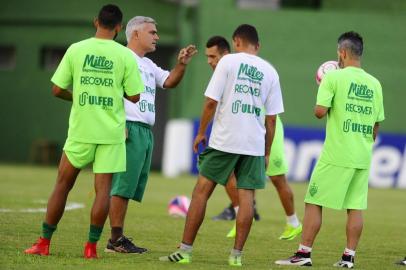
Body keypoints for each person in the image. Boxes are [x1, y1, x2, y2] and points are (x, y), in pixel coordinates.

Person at [24, 4, 144, 259]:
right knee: (103, 191)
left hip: (81, 130)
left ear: (95, 22)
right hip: (111, 133)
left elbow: (56, 89)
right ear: (119, 28)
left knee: (62, 185)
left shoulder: (76, 49)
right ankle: (90, 248)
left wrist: (78, 96)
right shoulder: (125, 55)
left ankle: (44, 243)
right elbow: (135, 95)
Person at [160, 24, 284, 266]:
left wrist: (200, 133)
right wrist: (267, 150)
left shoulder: (227, 62)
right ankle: (236, 256)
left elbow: (210, 103)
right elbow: (271, 120)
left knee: (201, 191)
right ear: (257, 46)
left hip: (225, 140)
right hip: (254, 144)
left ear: (236, 41)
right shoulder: (270, 71)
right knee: (247, 197)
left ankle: (185, 252)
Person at [275, 31, 385, 268]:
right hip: (362, 155)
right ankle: (348, 258)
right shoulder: (375, 84)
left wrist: (326, 87)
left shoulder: (333, 78)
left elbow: (319, 112)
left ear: (342, 53)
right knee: (355, 207)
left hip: (337, 154)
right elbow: (376, 126)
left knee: (314, 199)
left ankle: (304, 254)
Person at [105, 16, 197, 254]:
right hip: (128, 127)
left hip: (144, 131)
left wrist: (183, 64)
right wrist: (118, 123)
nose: (156, 36)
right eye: (152, 32)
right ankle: (115, 240)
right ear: (135, 34)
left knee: (129, 188)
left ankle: (117, 237)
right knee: (122, 186)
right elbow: (109, 90)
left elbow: (169, 81)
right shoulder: (120, 56)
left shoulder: (147, 64)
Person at [205, 36, 302, 240]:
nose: (210, 61)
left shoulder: (238, 66)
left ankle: (293, 223)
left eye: (213, 56)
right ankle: (242, 214)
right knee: (230, 174)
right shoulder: (227, 69)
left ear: (226, 54)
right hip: (243, 132)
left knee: (276, 177)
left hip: (264, 128)